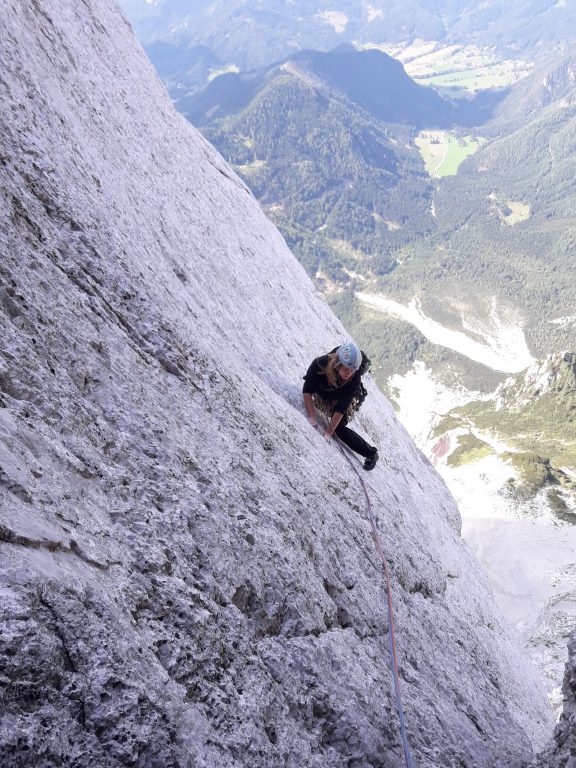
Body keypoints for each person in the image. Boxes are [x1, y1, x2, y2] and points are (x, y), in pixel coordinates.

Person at [302, 342, 379, 471]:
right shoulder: (320, 364)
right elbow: (307, 389)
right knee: (319, 390)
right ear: (338, 363)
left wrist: (329, 431)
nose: (348, 373)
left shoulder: (355, 379)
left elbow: (342, 407)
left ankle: (371, 453)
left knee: (339, 429)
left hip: (338, 397)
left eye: (352, 370)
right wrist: (311, 415)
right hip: (324, 391)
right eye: (346, 369)